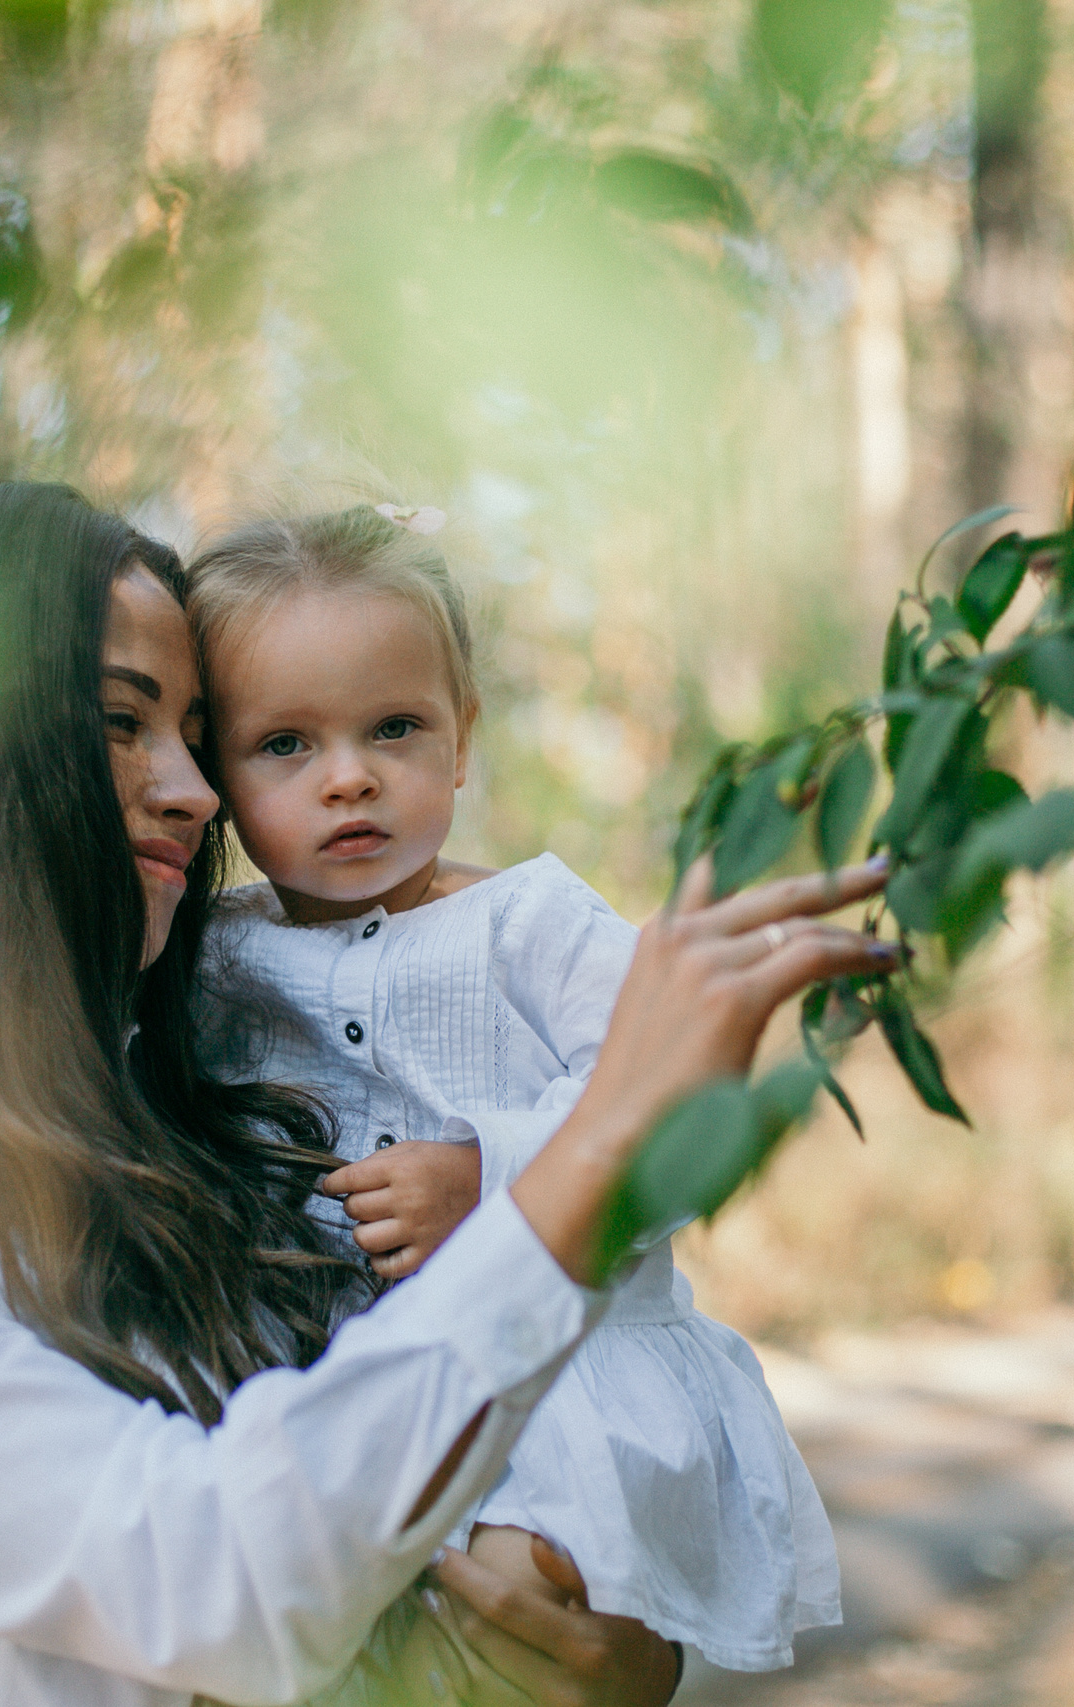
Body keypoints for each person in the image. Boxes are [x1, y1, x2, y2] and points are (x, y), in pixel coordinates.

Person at [0, 480, 893, 1707]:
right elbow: (209, 1577)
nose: (199, 793)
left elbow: (352, 1480)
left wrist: (592, 1650)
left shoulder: (160, 1090)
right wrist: (583, 1164)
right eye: (121, 722)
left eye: (199, 735)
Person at [184, 505, 839, 1672]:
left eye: (394, 728)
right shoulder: (218, 957)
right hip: (339, 1389)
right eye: (284, 744)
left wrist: (493, 1177)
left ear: (462, 739)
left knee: (508, 1600)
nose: (349, 778)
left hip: (557, 1382)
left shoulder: (533, 924)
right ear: (219, 776)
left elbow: (679, 1121)